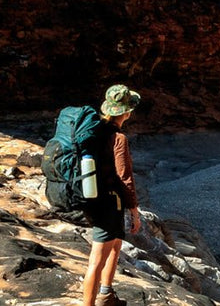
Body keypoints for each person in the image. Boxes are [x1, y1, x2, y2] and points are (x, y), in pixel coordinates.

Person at [82, 84, 142, 306]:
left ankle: (106, 295)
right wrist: (134, 212)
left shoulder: (95, 131)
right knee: (97, 259)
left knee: (115, 244)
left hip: (96, 197)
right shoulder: (118, 138)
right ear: (126, 112)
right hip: (108, 202)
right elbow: (125, 177)